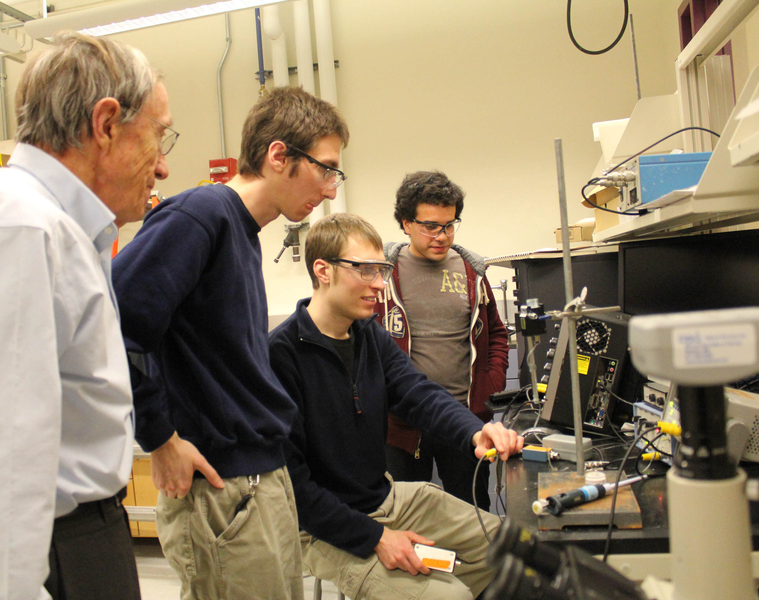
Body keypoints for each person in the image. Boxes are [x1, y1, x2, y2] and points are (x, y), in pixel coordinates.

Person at [0, 32, 172, 599]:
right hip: (53, 553)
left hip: (74, 541)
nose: (162, 168)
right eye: (158, 137)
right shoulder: (16, 230)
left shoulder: (45, 228)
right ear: (107, 123)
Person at [111, 86, 349, 600]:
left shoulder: (240, 232)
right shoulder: (201, 214)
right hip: (224, 492)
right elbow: (117, 320)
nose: (331, 189)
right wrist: (159, 437)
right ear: (279, 155)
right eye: (325, 169)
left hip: (261, 479)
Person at [269, 213, 524, 600]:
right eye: (365, 270)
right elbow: (292, 487)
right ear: (323, 270)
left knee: (514, 550)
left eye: (382, 269)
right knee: (449, 595)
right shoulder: (280, 356)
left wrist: (476, 430)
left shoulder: (369, 334)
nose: (378, 283)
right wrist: (375, 538)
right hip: (323, 527)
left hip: (385, 497)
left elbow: (418, 392)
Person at [375, 170, 510, 510]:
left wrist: (489, 385)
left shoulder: (471, 272)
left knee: (473, 512)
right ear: (406, 223)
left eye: (449, 225)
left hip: (463, 419)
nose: (442, 235)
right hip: (401, 425)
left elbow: (496, 334)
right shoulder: (381, 276)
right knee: (406, 515)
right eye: (430, 226)